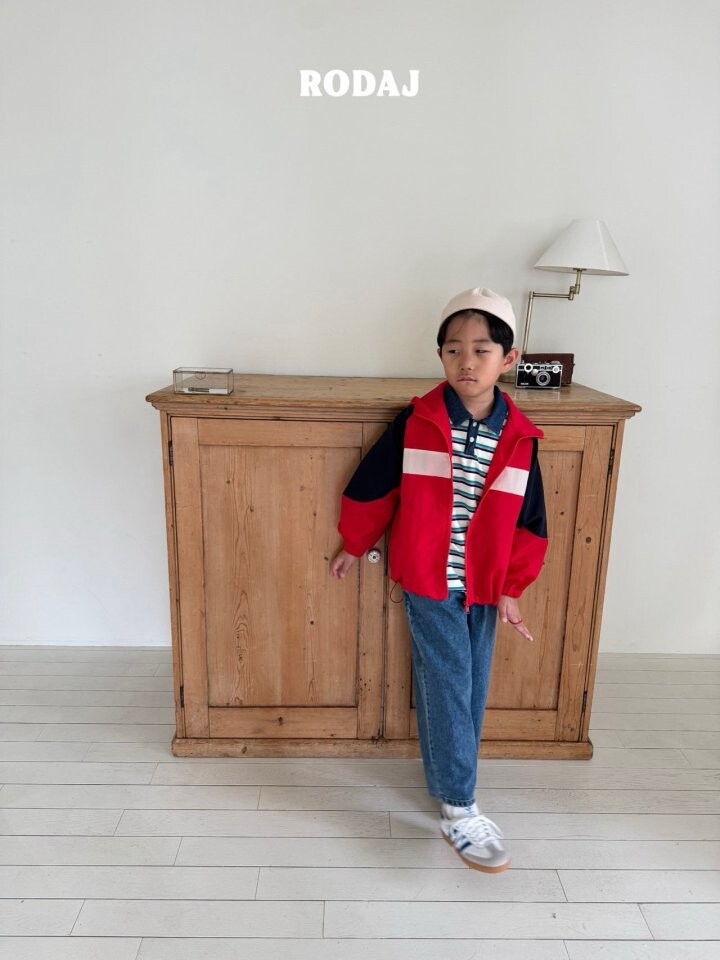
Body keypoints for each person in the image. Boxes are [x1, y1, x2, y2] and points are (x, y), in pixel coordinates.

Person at [330, 286, 548, 873]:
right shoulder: (418, 421)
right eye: (453, 350)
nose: (466, 362)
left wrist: (512, 588)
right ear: (441, 357)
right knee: (451, 681)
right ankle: (459, 806)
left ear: (508, 358)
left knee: (466, 684)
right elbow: (372, 486)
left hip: (485, 586)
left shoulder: (520, 436)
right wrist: (355, 543)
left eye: (481, 350)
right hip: (429, 577)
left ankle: (451, 783)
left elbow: (531, 519)